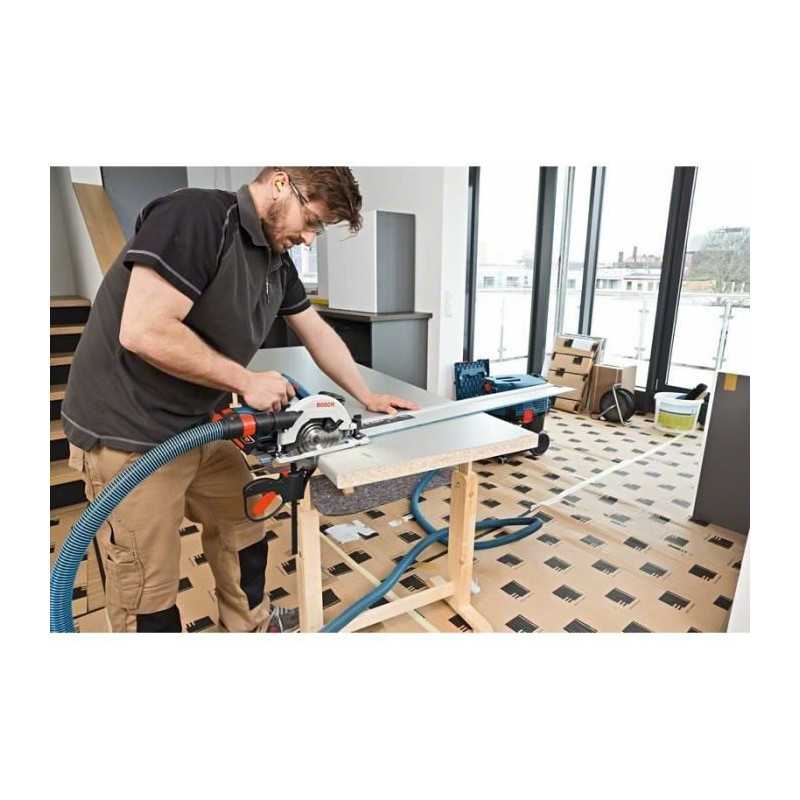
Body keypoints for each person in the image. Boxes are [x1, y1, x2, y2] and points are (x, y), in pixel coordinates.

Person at [61, 167, 420, 633]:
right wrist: (245, 380)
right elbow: (143, 330)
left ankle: (251, 624)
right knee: (148, 584)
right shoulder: (196, 217)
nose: (309, 239)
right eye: (311, 221)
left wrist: (365, 394)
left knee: (244, 520)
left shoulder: (276, 260)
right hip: (128, 431)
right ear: (280, 183)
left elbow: (315, 332)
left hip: (199, 425)